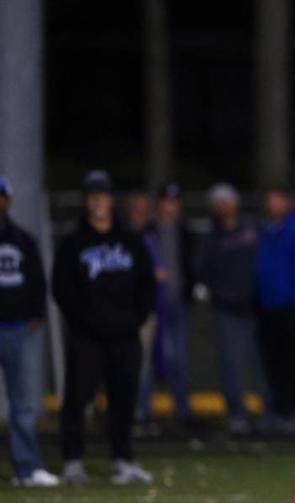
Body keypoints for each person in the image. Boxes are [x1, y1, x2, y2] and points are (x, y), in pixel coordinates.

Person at [53, 170, 157, 485]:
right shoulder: (73, 242)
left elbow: (147, 284)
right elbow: (62, 288)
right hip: (87, 338)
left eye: (103, 195)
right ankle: (73, 462)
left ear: (111, 200)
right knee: (77, 399)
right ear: (86, 201)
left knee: (124, 400)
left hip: (125, 337)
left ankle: (122, 461)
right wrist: (83, 321)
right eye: (93, 195)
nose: (98, 201)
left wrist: (134, 319)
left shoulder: (131, 239)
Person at [0, 176, 59, 487]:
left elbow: (38, 282)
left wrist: (35, 315)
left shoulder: (23, 240)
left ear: (7, 201)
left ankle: (27, 467)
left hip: (19, 329)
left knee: (24, 402)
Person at [197, 183, 262, 434]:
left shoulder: (252, 229)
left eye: (227, 201)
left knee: (261, 363)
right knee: (232, 365)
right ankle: (237, 414)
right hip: (227, 310)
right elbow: (204, 270)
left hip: (256, 307)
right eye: (219, 202)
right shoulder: (211, 237)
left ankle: (268, 411)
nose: (224, 207)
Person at [255, 187, 295, 423]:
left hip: (289, 307)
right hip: (267, 306)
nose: (272, 206)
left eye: (276, 201)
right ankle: (278, 409)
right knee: (273, 361)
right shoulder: (266, 230)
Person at [151, 182, 195, 426]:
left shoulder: (186, 232)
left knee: (179, 359)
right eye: (166, 202)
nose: (170, 207)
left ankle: (182, 412)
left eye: (174, 203)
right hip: (151, 307)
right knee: (149, 360)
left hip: (178, 304)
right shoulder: (149, 231)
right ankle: (144, 412)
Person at [123, 191, 161, 433]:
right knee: (123, 364)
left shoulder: (151, 236)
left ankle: (141, 411)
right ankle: (127, 413)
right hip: (121, 313)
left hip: (145, 311)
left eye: (143, 208)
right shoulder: (123, 237)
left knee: (143, 364)